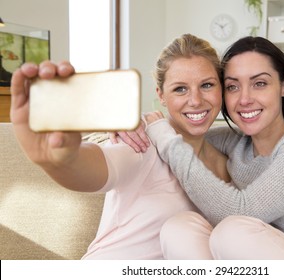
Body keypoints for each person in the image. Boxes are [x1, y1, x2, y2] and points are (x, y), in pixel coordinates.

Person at [117, 36, 284, 260]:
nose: (244, 99)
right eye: (233, 86)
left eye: (260, 83)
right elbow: (186, 133)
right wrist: (135, 123)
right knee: (180, 227)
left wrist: (161, 132)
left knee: (232, 231)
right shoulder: (236, 142)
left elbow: (238, 211)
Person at [10, 33, 230, 259]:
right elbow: (99, 166)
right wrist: (62, 160)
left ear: (221, 89)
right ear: (161, 95)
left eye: (207, 85)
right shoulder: (142, 138)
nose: (195, 100)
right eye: (180, 89)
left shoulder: (228, 162)